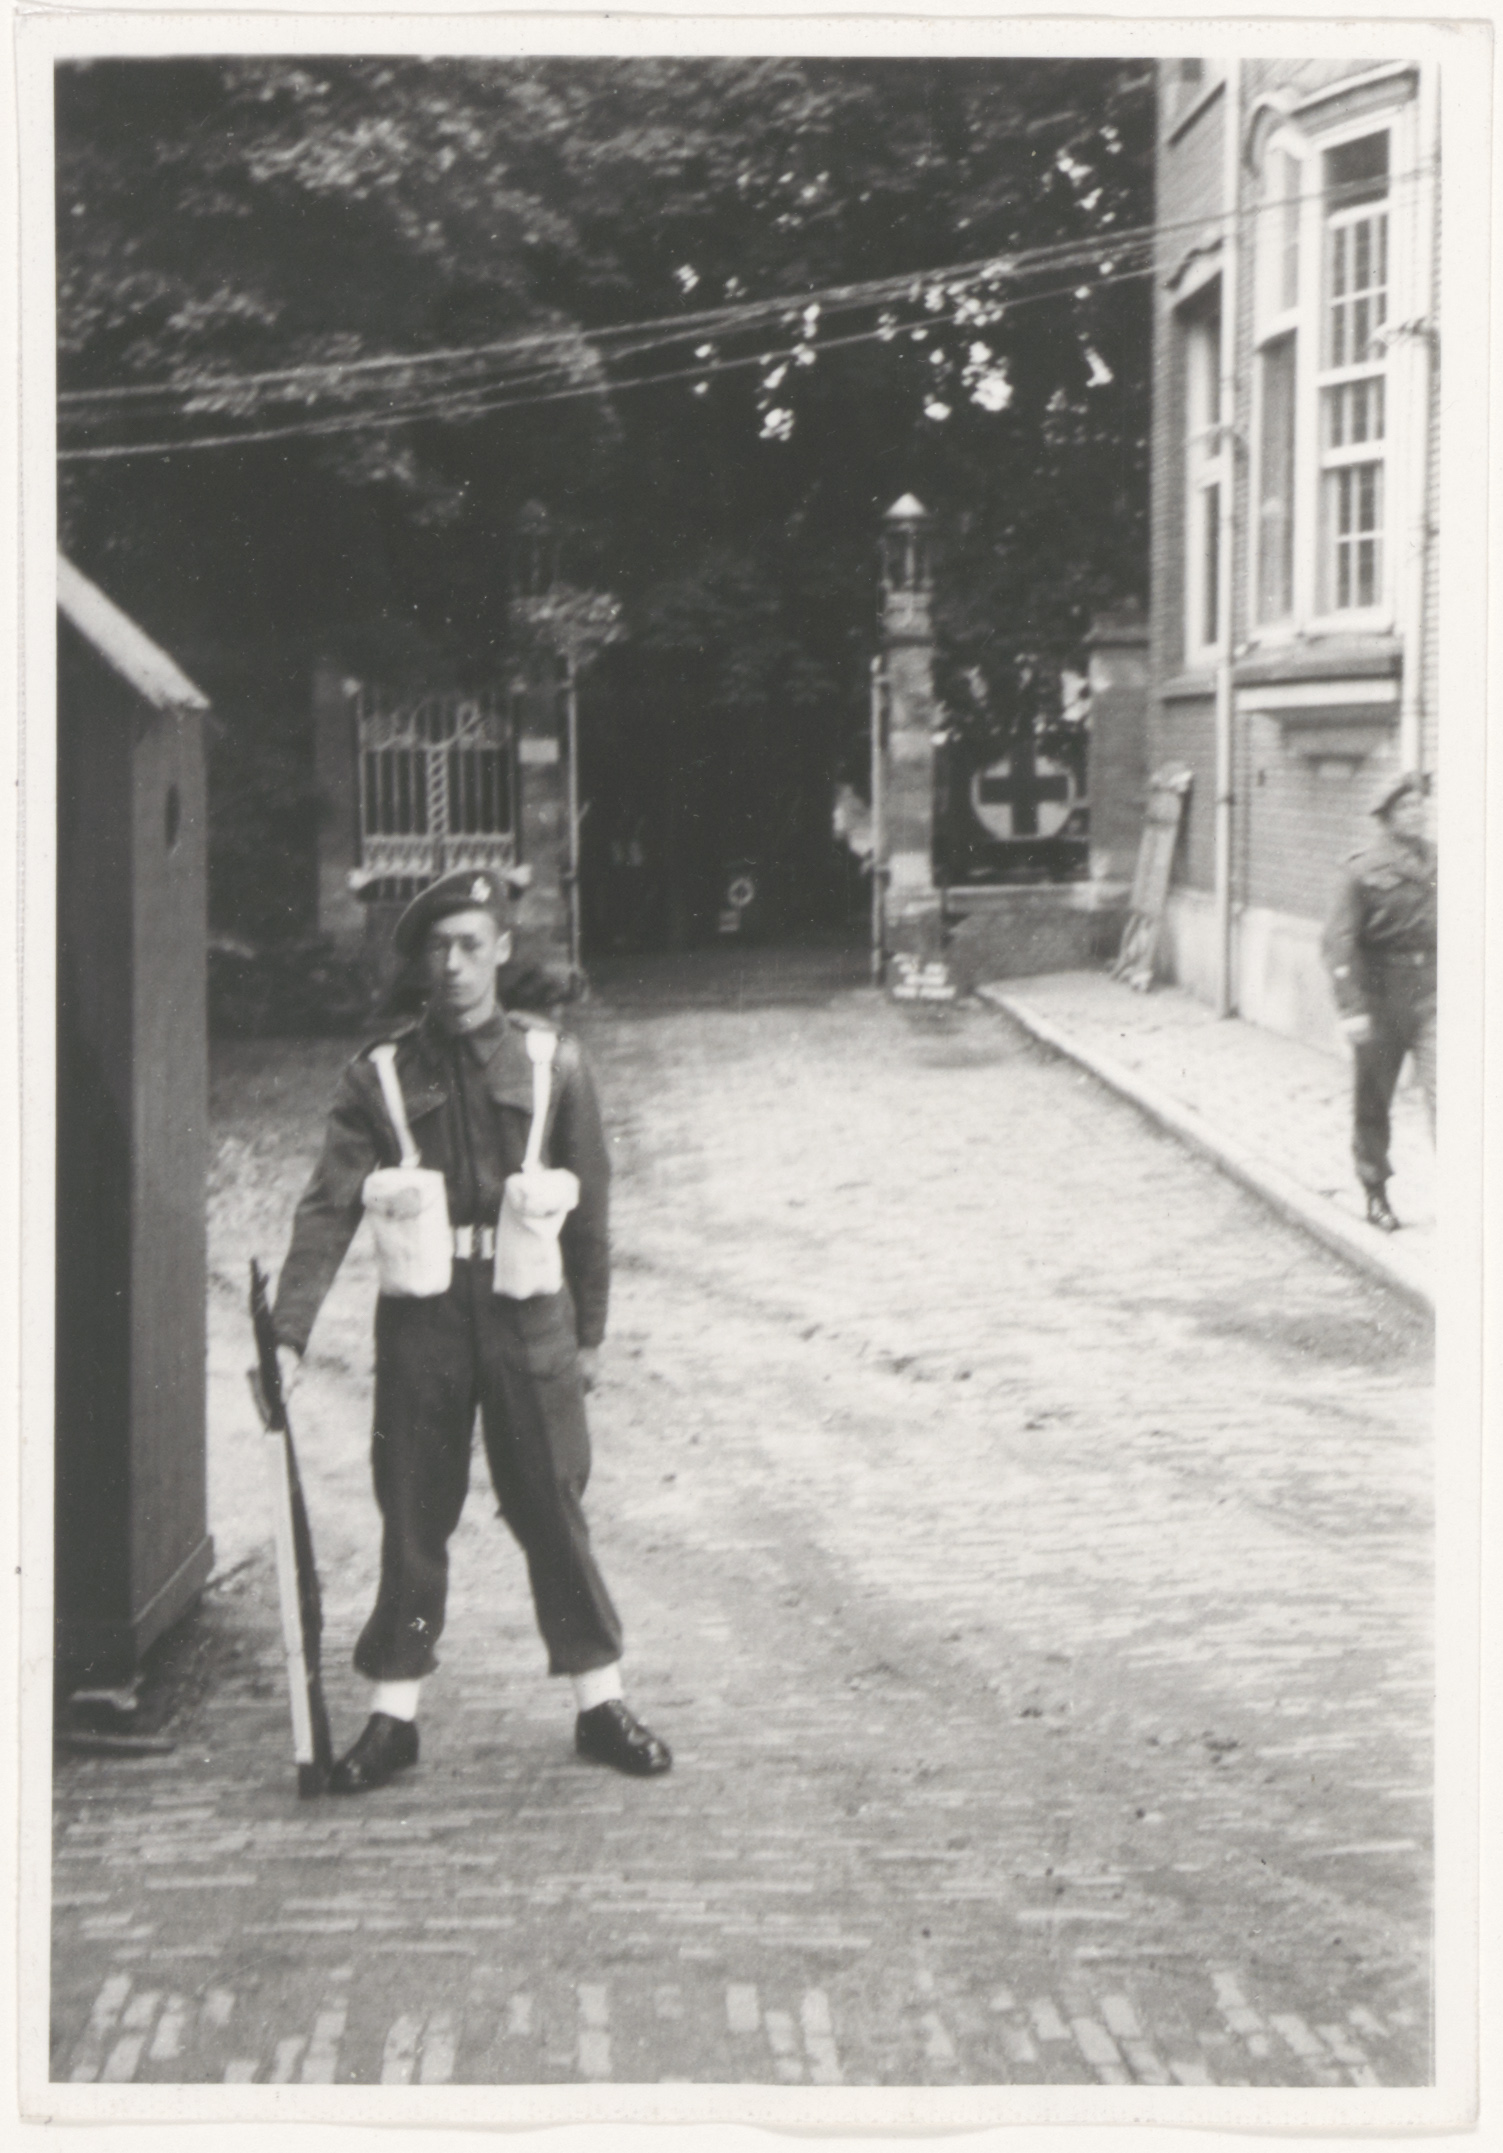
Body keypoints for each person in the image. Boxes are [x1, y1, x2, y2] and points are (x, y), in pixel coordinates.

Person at [270, 866, 671, 1791]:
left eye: (469, 945)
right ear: (419, 962)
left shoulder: (554, 1063)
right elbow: (328, 1207)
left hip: (529, 1319)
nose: (452, 965)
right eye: (436, 949)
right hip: (425, 1324)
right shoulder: (378, 1074)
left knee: (552, 1510)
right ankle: (394, 1715)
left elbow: (592, 1208)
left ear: (501, 951)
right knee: (413, 1514)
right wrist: (289, 1333)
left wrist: (591, 1334)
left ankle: (599, 1700)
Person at [1321, 772, 1437, 1233]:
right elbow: (1337, 942)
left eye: (1419, 804)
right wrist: (1351, 1009)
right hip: (1380, 997)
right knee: (1374, 1100)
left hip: (1433, 993)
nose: (1416, 812)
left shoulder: (1442, 860)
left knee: (1450, 1093)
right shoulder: (1360, 870)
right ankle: (1375, 1191)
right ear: (1386, 817)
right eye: (1405, 806)